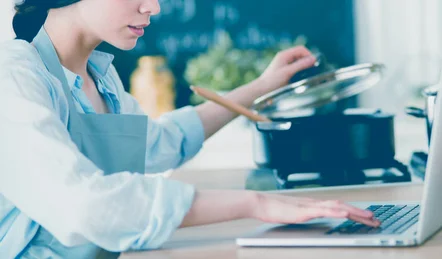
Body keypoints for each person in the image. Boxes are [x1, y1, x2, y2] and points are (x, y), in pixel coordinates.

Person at [0, 0, 379, 258]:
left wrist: (262, 87)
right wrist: (255, 204)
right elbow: (86, 208)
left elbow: (162, 144)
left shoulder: (102, 76)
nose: (155, 6)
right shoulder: (14, 77)